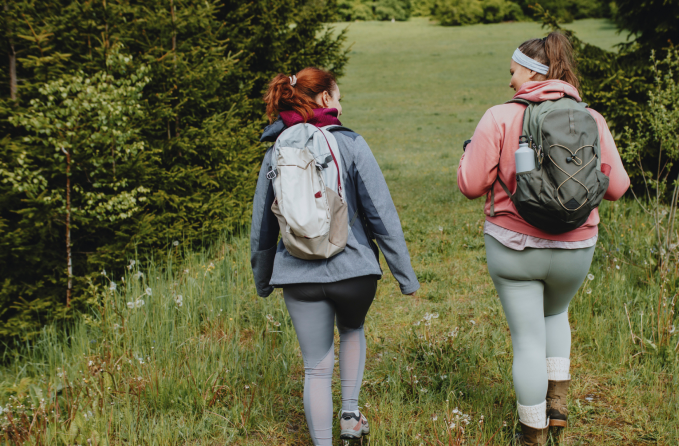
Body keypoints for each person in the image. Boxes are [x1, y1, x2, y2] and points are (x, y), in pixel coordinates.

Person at [457, 32, 630, 445]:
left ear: (532, 72)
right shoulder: (591, 117)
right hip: (576, 247)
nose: (510, 81)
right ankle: (558, 407)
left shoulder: (498, 117)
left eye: (513, 71)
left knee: (528, 338)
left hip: (514, 248)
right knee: (556, 316)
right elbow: (618, 187)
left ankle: (532, 434)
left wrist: (468, 153)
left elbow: (470, 184)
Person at [250, 67, 419, 445]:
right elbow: (381, 213)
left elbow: (262, 225)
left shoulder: (276, 150)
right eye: (339, 98)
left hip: (297, 274)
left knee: (315, 369)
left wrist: (264, 279)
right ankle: (349, 415)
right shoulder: (351, 142)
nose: (340, 106)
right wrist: (404, 276)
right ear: (325, 98)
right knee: (352, 329)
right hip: (354, 272)